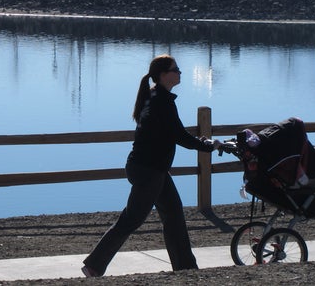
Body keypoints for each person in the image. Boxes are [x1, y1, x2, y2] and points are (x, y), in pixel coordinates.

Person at [81, 54, 218, 277]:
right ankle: (94, 266)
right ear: (164, 75)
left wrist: (204, 144)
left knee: (173, 216)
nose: (180, 72)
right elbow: (180, 136)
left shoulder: (154, 97)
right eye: (176, 69)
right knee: (132, 219)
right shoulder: (161, 102)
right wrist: (208, 146)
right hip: (149, 170)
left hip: (152, 169)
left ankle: (186, 269)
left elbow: (174, 134)